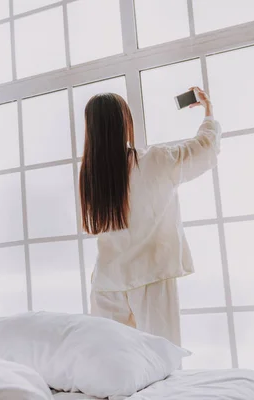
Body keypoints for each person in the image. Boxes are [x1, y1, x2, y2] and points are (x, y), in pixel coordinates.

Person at [80, 87, 220, 345]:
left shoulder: (90, 178)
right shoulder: (154, 161)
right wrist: (208, 111)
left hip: (106, 282)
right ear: (125, 123)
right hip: (151, 276)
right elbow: (205, 149)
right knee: (162, 362)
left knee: (112, 367)